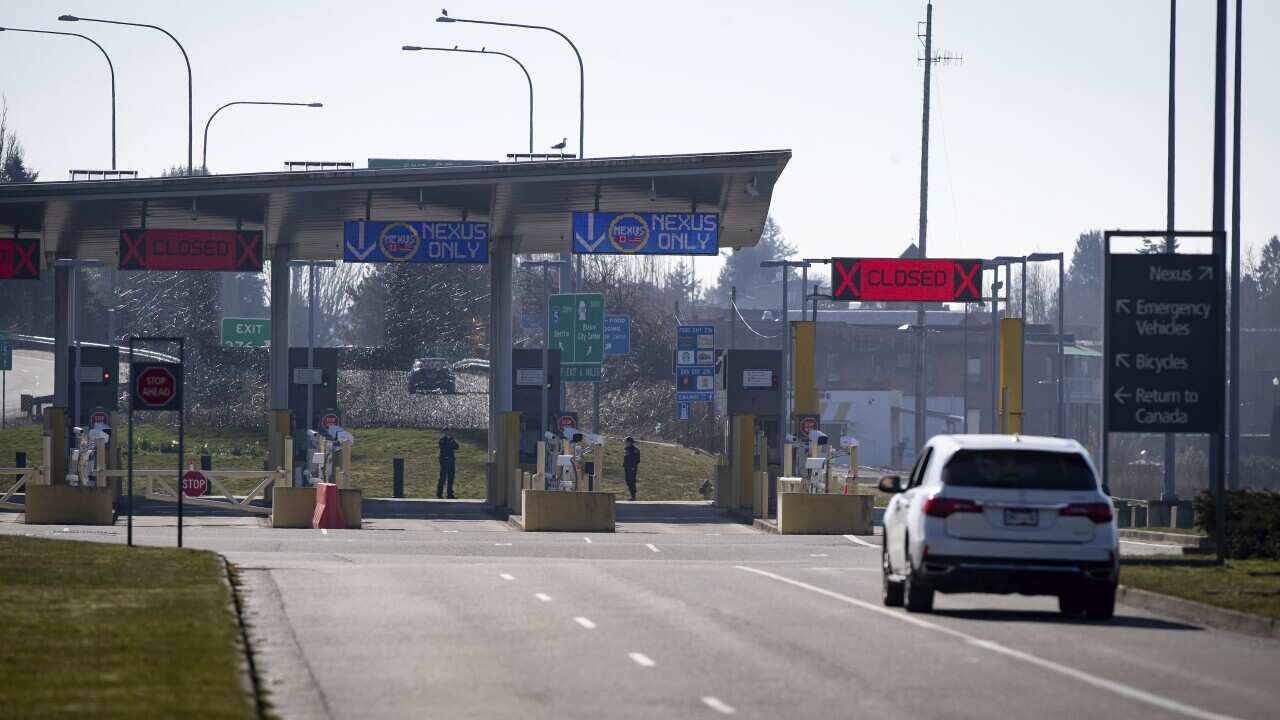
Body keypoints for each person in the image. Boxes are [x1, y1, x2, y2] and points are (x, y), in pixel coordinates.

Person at [437, 427, 459, 499]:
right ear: (444, 432)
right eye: (446, 432)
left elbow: (456, 447)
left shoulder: (452, 440)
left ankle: (450, 494)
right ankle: (439, 494)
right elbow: (445, 447)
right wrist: (451, 441)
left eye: (449, 431)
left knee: (451, 478)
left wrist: (453, 441)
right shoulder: (442, 440)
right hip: (444, 460)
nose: (448, 433)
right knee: (442, 478)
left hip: (451, 460)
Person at [623, 436, 640, 501]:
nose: (625, 443)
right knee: (627, 481)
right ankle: (632, 495)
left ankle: (633, 496)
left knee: (631, 481)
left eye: (626, 442)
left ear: (630, 442)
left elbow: (637, 460)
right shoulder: (626, 449)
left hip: (632, 468)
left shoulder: (635, 450)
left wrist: (633, 467)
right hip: (627, 467)